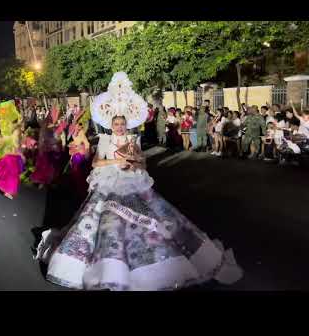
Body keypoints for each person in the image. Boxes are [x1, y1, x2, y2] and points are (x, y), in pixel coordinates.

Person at [33, 72, 242, 291]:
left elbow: (142, 164)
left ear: (126, 125)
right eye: (116, 124)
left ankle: (147, 265)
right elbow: (96, 163)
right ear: (111, 125)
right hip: (109, 185)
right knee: (106, 227)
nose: (120, 127)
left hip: (132, 183)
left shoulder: (133, 140)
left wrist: (134, 164)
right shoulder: (105, 140)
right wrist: (116, 159)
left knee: (152, 223)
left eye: (122, 124)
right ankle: (108, 269)